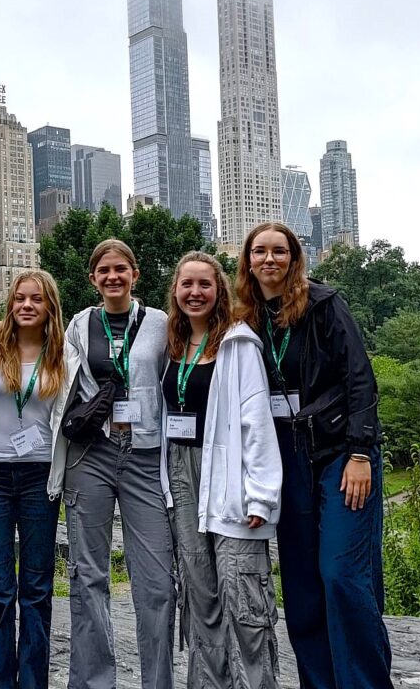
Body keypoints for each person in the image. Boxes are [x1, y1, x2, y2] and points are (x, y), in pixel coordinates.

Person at [234, 222, 392, 689]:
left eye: (279, 251)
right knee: (302, 589)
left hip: (340, 455)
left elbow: (360, 379)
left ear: (294, 257)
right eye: (259, 252)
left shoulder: (324, 305)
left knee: (341, 575)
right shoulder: (246, 317)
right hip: (285, 461)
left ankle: (364, 682)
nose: (269, 260)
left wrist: (361, 452)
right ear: (247, 261)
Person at [162, 251, 281, 689]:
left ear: (219, 290)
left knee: (243, 598)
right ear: (175, 291)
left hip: (230, 477)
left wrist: (262, 494)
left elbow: (256, 421)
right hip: (183, 476)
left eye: (204, 285)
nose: (195, 293)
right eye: (187, 284)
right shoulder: (171, 343)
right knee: (201, 598)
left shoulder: (238, 343)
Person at [62, 239, 175, 689]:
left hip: (144, 455)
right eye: (104, 270)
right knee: (88, 575)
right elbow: (49, 359)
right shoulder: (79, 323)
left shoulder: (160, 325)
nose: (112, 277)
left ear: (135, 274)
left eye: (120, 269)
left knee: (155, 582)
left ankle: (158, 682)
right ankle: (93, 682)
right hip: (91, 453)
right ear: (93, 279)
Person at [0, 270, 76, 689]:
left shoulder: (66, 355)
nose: (27, 305)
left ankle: (33, 682)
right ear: (10, 305)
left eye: (36, 299)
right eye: (19, 299)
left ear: (50, 306)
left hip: (39, 480)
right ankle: (1, 682)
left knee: (36, 588)